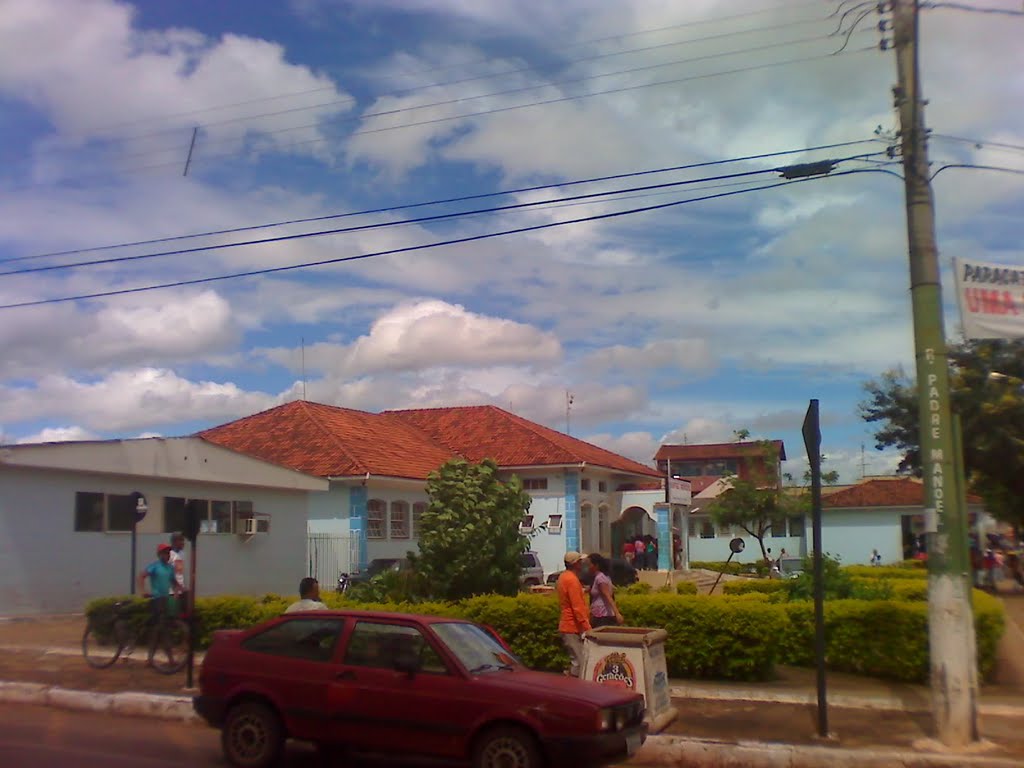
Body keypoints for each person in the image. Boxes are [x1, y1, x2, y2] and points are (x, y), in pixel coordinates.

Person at [556, 552, 592, 677]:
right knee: (581, 664)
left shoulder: (564, 577)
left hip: (568, 626)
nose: (582, 564)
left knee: (576, 662)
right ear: (576, 564)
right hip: (572, 627)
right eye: (580, 562)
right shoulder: (572, 580)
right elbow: (577, 607)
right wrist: (587, 628)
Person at [137, 543, 180, 624]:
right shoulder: (155, 566)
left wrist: (176, 594)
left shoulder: (170, 568)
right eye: (165, 553)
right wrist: (143, 591)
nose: (167, 555)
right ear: (159, 554)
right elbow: (141, 576)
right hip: (156, 599)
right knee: (158, 622)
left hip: (166, 599)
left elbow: (174, 583)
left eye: (168, 553)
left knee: (173, 619)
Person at [587, 553, 624, 628]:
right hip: (599, 614)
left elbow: (608, 596)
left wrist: (617, 613)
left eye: (589, 565)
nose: (588, 567)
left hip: (602, 616)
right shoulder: (603, 577)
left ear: (596, 565)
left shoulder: (600, 578)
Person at [169, 532, 187, 611]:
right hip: (171, 591)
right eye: (181, 540)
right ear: (174, 542)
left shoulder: (182, 554)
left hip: (179, 590)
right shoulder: (169, 554)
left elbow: (179, 573)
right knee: (173, 617)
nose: (183, 543)